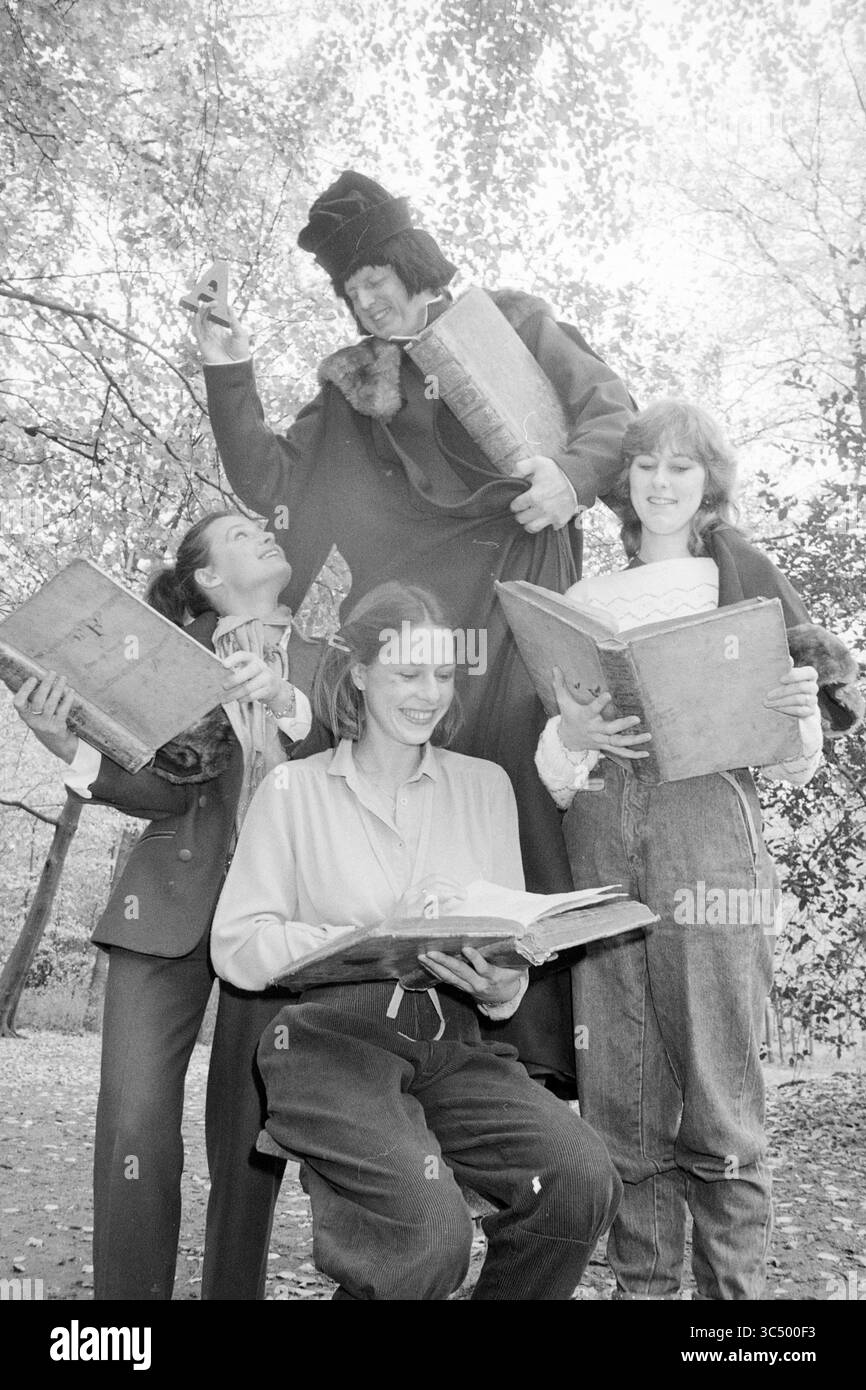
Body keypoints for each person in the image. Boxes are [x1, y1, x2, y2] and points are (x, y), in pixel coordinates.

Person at [192, 169, 636, 1090]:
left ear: (407, 258)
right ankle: (398, 1055)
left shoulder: (511, 321)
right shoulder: (356, 386)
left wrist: (572, 475)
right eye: (349, 294)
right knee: (403, 823)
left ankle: (540, 1070)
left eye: (371, 281)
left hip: (516, 600)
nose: (364, 303)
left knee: (521, 803)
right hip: (412, 633)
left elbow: (610, 414)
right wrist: (225, 361)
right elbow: (274, 487)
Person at [533, 399, 863, 1299]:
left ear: (708, 483)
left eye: (682, 467)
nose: (662, 482)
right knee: (621, 1098)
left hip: (711, 843)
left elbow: (792, 767)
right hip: (602, 842)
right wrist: (573, 732)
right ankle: (644, 1291)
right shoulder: (584, 601)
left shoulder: (742, 590)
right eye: (646, 466)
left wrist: (799, 715)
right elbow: (553, 777)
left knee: (719, 1101)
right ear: (626, 483)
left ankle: (737, 1322)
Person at [210, 582, 622, 1301]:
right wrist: (362, 934)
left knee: (579, 1180)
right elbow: (238, 945)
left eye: (440, 675)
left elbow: (503, 943)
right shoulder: (293, 791)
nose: (427, 693)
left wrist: (502, 985)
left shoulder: (485, 786)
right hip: (332, 1044)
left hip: (455, 1042)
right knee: (429, 1235)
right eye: (406, 673)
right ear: (361, 674)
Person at [12, 510, 318, 1300]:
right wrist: (66, 744)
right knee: (134, 1129)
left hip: (281, 923)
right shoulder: (160, 656)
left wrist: (285, 701)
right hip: (164, 908)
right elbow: (161, 791)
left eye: (265, 529)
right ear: (209, 578)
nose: (265, 535)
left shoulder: (331, 657)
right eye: (242, 536)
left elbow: (352, 768)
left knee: (252, 1145)